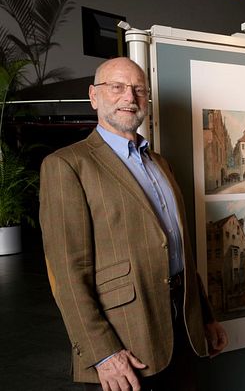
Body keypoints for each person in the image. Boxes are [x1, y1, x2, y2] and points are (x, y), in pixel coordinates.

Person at [40, 57, 228, 391]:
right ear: (94, 96)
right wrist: (102, 352)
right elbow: (67, 274)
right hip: (125, 343)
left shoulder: (160, 164)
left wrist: (207, 317)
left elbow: (181, 249)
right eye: (117, 87)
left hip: (183, 332)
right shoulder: (67, 165)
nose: (130, 97)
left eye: (138, 89)